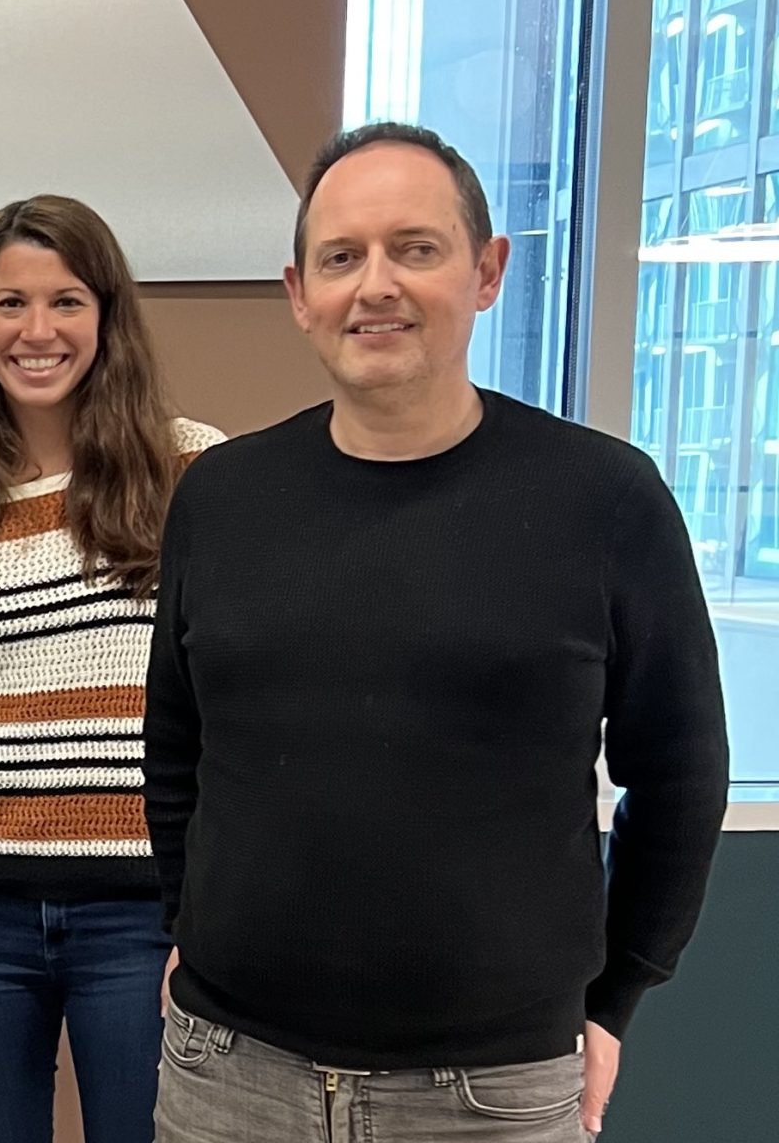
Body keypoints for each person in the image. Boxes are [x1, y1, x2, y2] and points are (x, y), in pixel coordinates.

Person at [145, 122, 730, 1142]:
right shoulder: (222, 497)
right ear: (299, 294)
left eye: (414, 248)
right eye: (341, 257)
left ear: (487, 271)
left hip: (490, 1091)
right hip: (229, 1072)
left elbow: (679, 773)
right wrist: (185, 925)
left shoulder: (602, 498)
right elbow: (175, 750)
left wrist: (616, 995)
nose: (375, 285)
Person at [0, 195, 221, 1143]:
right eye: (10, 303)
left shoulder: (195, 471)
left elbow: (233, 700)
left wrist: (216, 905)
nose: (38, 330)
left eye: (66, 301)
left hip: (144, 911)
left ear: (106, 317)